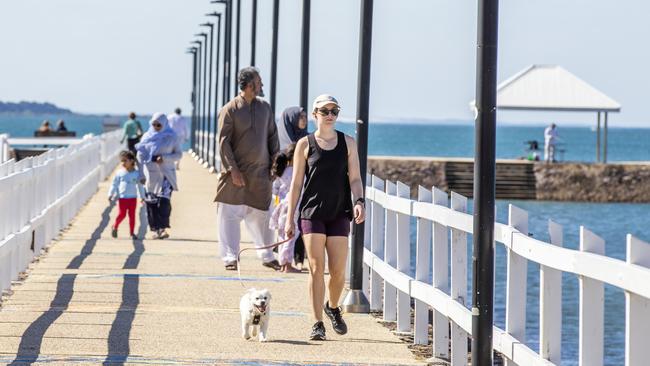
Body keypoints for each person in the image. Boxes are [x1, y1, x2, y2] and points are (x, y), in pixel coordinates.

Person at [284, 94, 366, 341]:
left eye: (334, 111)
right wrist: (289, 219)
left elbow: (355, 178)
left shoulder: (348, 143)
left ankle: (332, 307)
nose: (330, 115)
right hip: (312, 213)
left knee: (339, 271)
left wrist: (359, 201)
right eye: (324, 111)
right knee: (317, 268)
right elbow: (296, 183)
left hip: (340, 212)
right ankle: (317, 322)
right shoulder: (305, 144)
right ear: (314, 115)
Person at [214, 67, 280, 271]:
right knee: (228, 216)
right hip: (236, 175)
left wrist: (275, 165)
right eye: (259, 82)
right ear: (250, 85)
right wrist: (232, 170)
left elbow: (272, 137)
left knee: (264, 216)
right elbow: (223, 143)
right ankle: (230, 258)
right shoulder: (230, 109)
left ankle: (267, 255)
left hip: (261, 174)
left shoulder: (265, 108)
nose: (262, 85)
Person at [135, 113, 182, 239]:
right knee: (151, 204)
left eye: (159, 124)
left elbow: (178, 155)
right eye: (153, 124)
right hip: (150, 175)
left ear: (164, 123)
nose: (156, 126)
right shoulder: (146, 137)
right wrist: (140, 174)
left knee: (164, 202)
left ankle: (163, 228)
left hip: (166, 174)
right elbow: (139, 157)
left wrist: (165, 158)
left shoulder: (172, 137)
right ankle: (155, 229)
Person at [276, 106, 309, 269]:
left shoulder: (308, 141)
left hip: (303, 196)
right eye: (300, 116)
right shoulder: (284, 147)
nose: (304, 119)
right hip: (289, 199)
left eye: (305, 116)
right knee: (289, 229)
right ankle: (287, 262)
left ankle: (297, 260)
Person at [269, 143, 301, 273]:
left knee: (282, 235)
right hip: (293, 206)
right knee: (291, 235)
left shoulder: (282, 171)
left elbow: (275, 190)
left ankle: (283, 263)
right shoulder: (297, 171)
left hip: (281, 206)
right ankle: (287, 263)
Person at [108, 151, 145, 239]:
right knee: (122, 214)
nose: (123, 163)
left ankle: (132, 233)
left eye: (125, 161)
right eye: (122, 161)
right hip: (122, 198)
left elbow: (140, 186)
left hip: (133, 198)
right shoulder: (120, 173)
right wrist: (110, 194)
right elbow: (114, 184)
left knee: (132, 216)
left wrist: (142, 197)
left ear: (132, 161)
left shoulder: (136, 174)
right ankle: (115, 226)